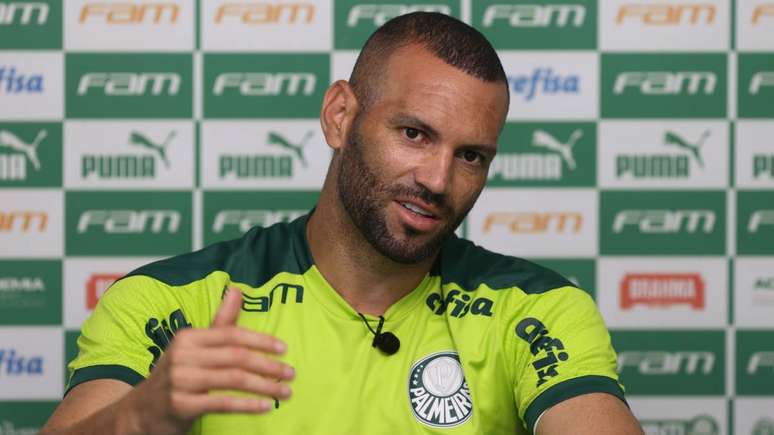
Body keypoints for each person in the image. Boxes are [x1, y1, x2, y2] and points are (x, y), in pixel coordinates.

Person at [42, 12, 643, 435]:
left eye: (470, 156)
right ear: (339, 116)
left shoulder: (537, 309)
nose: (438, 179)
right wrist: (139, 417)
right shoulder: (169, 298)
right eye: (414, 134)